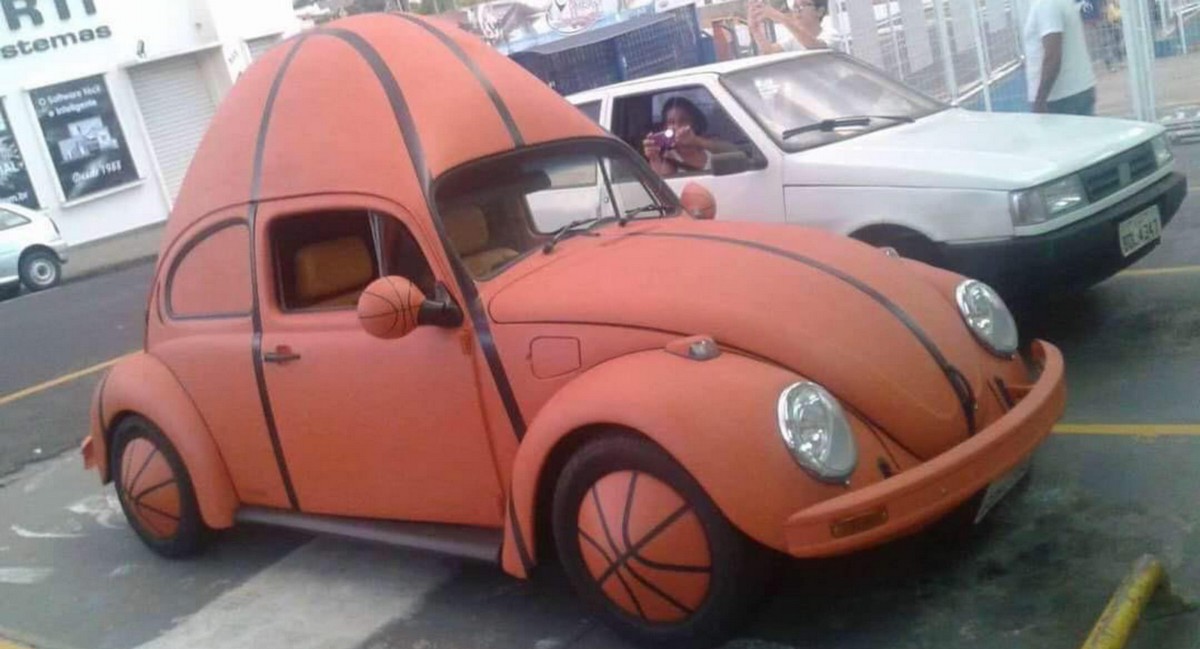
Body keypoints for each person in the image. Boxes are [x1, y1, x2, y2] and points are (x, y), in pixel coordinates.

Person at [1023, 0, 1098, 115]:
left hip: (1061, 98)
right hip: (1075, 91)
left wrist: (1040, 101)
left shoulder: (1046, 5)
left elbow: (1052, 56)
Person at [641, 97, 735, 177]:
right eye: (671, 122)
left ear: (694, 123)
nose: (677, 126)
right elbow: (662, 184)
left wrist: (696, 141)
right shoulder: (669, 158)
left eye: (683, 120)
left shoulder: (708, 145)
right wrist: (654, 159)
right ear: (665, 127)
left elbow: (734, 151)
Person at [746, 0, 842, 53]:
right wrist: (755, 30)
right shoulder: (792, 40)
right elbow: (770, 51)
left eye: (804, 5)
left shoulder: (831, 34)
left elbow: (816, 47)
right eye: (795, 6)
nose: (797, 10)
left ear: (820, 11)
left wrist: (782, 18)